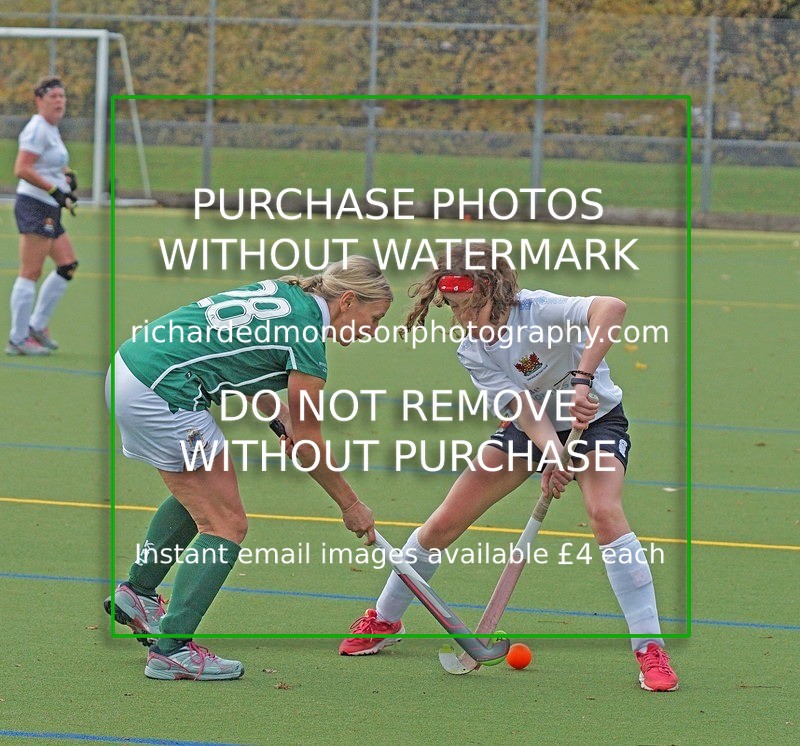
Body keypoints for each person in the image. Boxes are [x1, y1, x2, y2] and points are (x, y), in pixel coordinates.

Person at [339, 243, 679, 693]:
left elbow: (611, 308)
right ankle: (385, 618)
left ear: (491, 290)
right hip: (529, 428)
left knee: (604, 513)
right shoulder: (472, 351)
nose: (462, 318)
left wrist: (583, 380)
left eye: (468, 306)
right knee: (443, 523)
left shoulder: (539, 311)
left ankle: (650, 648)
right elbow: (522, 408)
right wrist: (554, 453)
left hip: (596, 422)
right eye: (453, 309)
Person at [105, 257, 392, 680]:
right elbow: (309, 444)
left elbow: (244, 364)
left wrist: (282, 417)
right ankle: (172, 650)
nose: (374, 330)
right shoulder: (308, 339)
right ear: (348, 301)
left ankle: (138, 593)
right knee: (226, 524)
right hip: (162, 393)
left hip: (132, 369)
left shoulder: (287, 295)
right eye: (375, 318)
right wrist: (351, 505)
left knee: (203, 497)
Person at [6, 76, 79, 356]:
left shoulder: (51, 129)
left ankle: (36, 326)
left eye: (62, 96)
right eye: (53, 97)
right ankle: (18, 339)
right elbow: (22, 168)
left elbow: (49, 164)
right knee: (30, 272)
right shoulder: (36, 129)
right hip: (34, 205)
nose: (59, 101)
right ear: (39, 100)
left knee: (67, 265)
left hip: (49, 206)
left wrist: (66, 179)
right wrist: (53, 190)